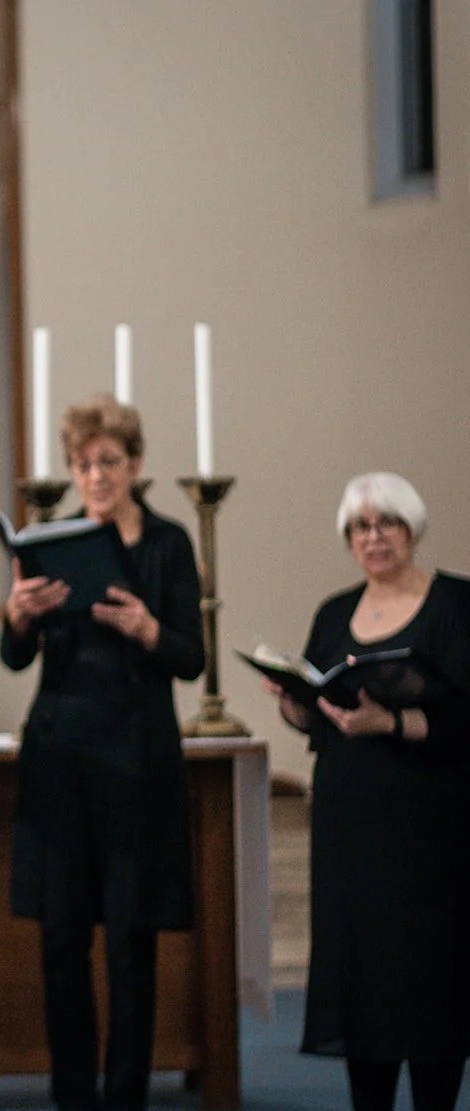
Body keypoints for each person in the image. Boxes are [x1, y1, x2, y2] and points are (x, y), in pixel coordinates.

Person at [0, 395, 203, 1111]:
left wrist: (148, 627)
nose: (95, 475)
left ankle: (124, 1098)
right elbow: (14, 657)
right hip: (59, 760)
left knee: (128, 942)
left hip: (136, 764)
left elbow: (192, 656)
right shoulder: (52, 539)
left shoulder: (169, 543)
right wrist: (18, 617)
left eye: (108, 461)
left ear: (135, 465)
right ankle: (73, 1096)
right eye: (83, 464)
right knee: (60, 940)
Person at [270, 473, 470, 1111]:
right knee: (363, 983)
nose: (373, 537)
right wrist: (295, 705)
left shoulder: (457, 606)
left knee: (431, 981)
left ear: (411, 528)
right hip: (350, 834)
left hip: (432, 833)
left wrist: (394, 723)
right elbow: (319, 714)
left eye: (386, 522)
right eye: (359, 527)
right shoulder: (334, 613)